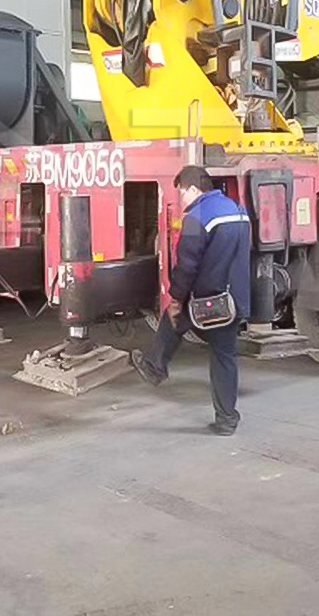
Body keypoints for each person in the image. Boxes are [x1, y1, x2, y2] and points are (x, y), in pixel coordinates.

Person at [130, 165, 251, 435]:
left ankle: (155, 367)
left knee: (175, 315)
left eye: (182, 192)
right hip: (233, 301)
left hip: (207, 300)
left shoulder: (197, 218)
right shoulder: (238, 211)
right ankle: (227, 420)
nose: (181, 198)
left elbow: (187, 265)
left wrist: (176, 297)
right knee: (224, 357)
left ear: (194, 189)